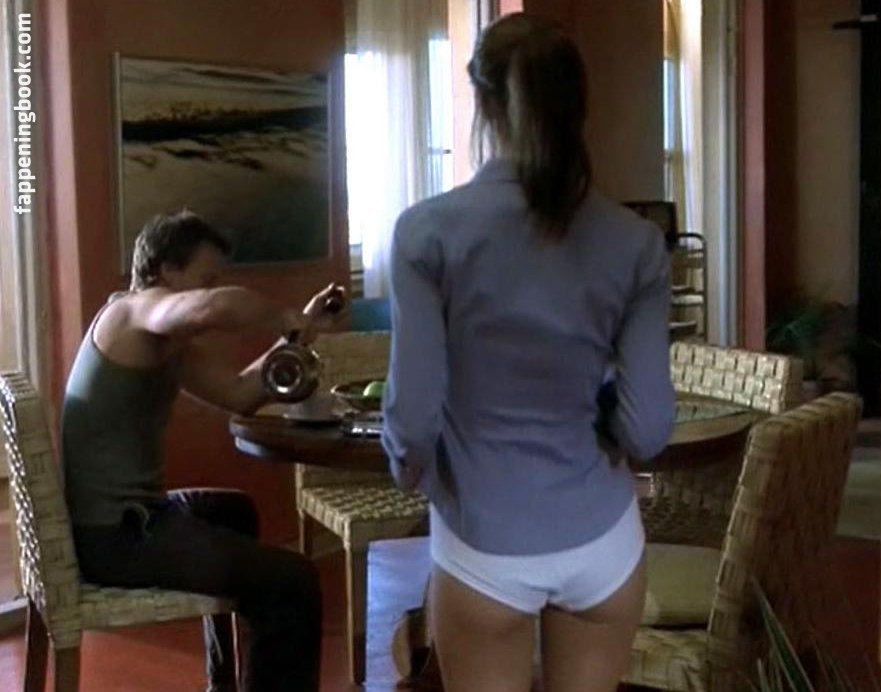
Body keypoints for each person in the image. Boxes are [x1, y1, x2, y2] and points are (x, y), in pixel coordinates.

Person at [381, 13, 675, 692]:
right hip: (604, 544)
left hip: (483, 543)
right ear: (578, 106)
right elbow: (647, 429)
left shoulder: (426, 235)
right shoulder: (635, 243)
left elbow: (414, 419)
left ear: (484, 106)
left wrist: (413, 472)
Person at [62, 210, 344, 692]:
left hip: (131, 521)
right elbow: (211, 309)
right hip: (117, 539)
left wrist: (297, 334)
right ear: (167, 271)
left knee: (233, 513)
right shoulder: (134, 313)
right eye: (206, 278)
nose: (212, 288)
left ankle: (225, 682)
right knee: (293, 580)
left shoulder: (161, 342)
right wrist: (281, 313)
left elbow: (239, 394)